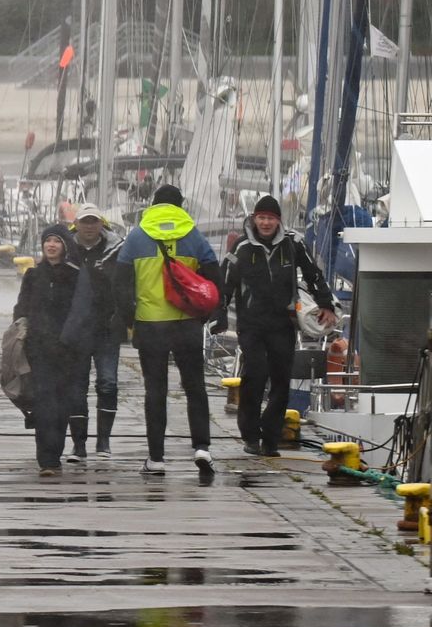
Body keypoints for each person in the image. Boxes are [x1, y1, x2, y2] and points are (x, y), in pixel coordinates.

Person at [113, 183, 221, 477]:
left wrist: (130, 319)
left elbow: (120, 285)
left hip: (150, 324)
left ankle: (156, 458)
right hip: (187, 324)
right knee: (195, 387)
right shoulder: (193, 235)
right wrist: (205, 314)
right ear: (180, 205)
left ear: (153, 204)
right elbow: (214, 277)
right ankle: (202, 448)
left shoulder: (136, 238)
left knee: (156, 391)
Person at [223, 195, 336, 456]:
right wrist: (218, 315)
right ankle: (250, 435)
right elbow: (225, 282)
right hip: (250, 324)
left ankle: (271, 438)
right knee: (255, 375)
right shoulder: (241, 246)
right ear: (254, 219)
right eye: (261, 218)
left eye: (270, 218)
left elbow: (313, 274)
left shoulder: (293, 243)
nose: (265, 223)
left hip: (282, 323)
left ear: (278, 221)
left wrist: (326, 304)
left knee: (281, 380)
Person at [15, 225, 85, 476]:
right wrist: (22, 330)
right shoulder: (33, 275)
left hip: (67, 350)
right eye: (48, 241)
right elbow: (22, 308)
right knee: (44, 402)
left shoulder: (76, 275)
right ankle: (47, 460)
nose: (51, 245)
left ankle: (56, 450)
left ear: (65, 246)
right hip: (39, 349)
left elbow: (81, 310)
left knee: (63, 404)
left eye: (57, 241)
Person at [68, 203, 125, 456]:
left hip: (107, 329)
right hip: (76, 331)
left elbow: (126, 285)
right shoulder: (66, 249)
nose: (89, 226)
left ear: (101, 223)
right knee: (76, 387)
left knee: (108, 383)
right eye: (85, 221)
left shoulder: (117, 250)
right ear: (76, 224)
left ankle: (104, 442)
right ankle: (79, 445)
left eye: (94, 221)